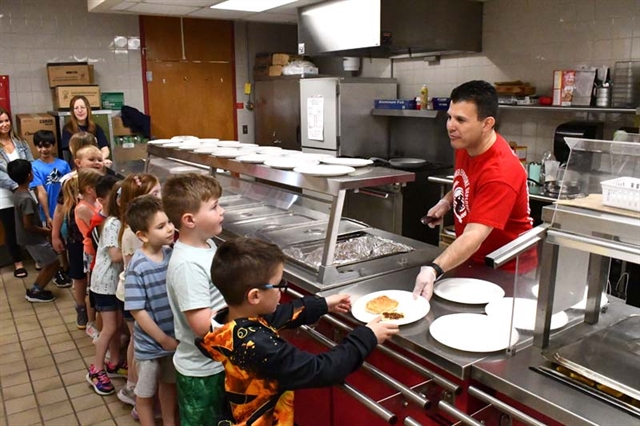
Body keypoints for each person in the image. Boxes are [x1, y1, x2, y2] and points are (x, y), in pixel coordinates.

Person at [197, 237, 399, 426]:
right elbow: (321, 370)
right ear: (255, 296)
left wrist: (323, 305)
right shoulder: (260, 347)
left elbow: (279, 315)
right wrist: (367, 336)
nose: (282, 290)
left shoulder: (230, 323)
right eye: (279, 285)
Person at [413, 80, 534, 300]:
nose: (450, 125)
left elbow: (474, 235)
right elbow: (466, 182)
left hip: (506, 268)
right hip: (473, 258)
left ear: (487, 124)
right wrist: (447, 202)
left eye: (460, 120)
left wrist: (434, 268)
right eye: (450, 117)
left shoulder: (500, 172)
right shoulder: (466, 144)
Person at [162, 173, 226, 426]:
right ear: (189, 220)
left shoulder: (208, 245)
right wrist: (245, 314)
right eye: (214, 207)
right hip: (202, 372)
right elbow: (201, 326)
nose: (222, 211)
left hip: (218, 363)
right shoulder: (188, 265)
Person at [124, 195, 177, 426]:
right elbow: (137, 310)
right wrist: (162, 338)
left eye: (169, 222)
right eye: (161, 226)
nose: (170, 229)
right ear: (142, 235)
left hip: (172, 340)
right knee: (144, 395)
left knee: (169, 386)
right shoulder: (138, 265)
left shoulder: (171, 253)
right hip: (151, 346)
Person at [115, 173, 162, 409]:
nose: (160, 198)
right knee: (138, 342)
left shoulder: (134, 229)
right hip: (132, 297)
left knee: (137, 341)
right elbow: (134, 270)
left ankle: (134, 385)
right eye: (155, 194)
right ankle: (134, 388)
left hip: (135, 296)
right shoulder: (134, 235)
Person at [56, 143, 105, 329]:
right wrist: (56, 234)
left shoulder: (97, 184)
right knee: (80, 277)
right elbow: (59, 210)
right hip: (80, 240)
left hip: (90, 242)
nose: (97, 163)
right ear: (78, 162)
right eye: (92, 160)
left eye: (99, 159)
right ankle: (83, 311)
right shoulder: (80, 198)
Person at [87, 176, 125, 396]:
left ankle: (115, 362)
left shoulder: (120, 222)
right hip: (104, 284)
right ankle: (96, 368)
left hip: (113, 284)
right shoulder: (113, 223)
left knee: (117, 325)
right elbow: (115, 255)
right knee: (109, 328)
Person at [7, 159, 60, 302]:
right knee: (53, 263)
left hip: (30, 238)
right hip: (33, 239)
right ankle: (36, 291)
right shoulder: (26, 199)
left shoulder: (19, 193)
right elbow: (28, 225)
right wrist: (47, 232)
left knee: (50, 263)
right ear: (30, 175)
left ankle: (36, 288)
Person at [0, 107, 33, 278]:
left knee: (30, 224)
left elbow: (30, 162)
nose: (4, 124)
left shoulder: (21, 142)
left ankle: (36, 257)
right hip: (5, 194)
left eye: (6, 120)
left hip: (26, 189)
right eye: (0, 122)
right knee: (11, 228)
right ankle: (18, 263)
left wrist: (26, 183)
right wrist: (16, 185)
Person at [61, 96, 110, 164]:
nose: (80, 111)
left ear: (88, 109)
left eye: (82, 107)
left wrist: (100, 159)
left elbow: (105, 149)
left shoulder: (96, 128)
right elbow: (73, 151)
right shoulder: (68, 129)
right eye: (76, 108)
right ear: (72, 111)